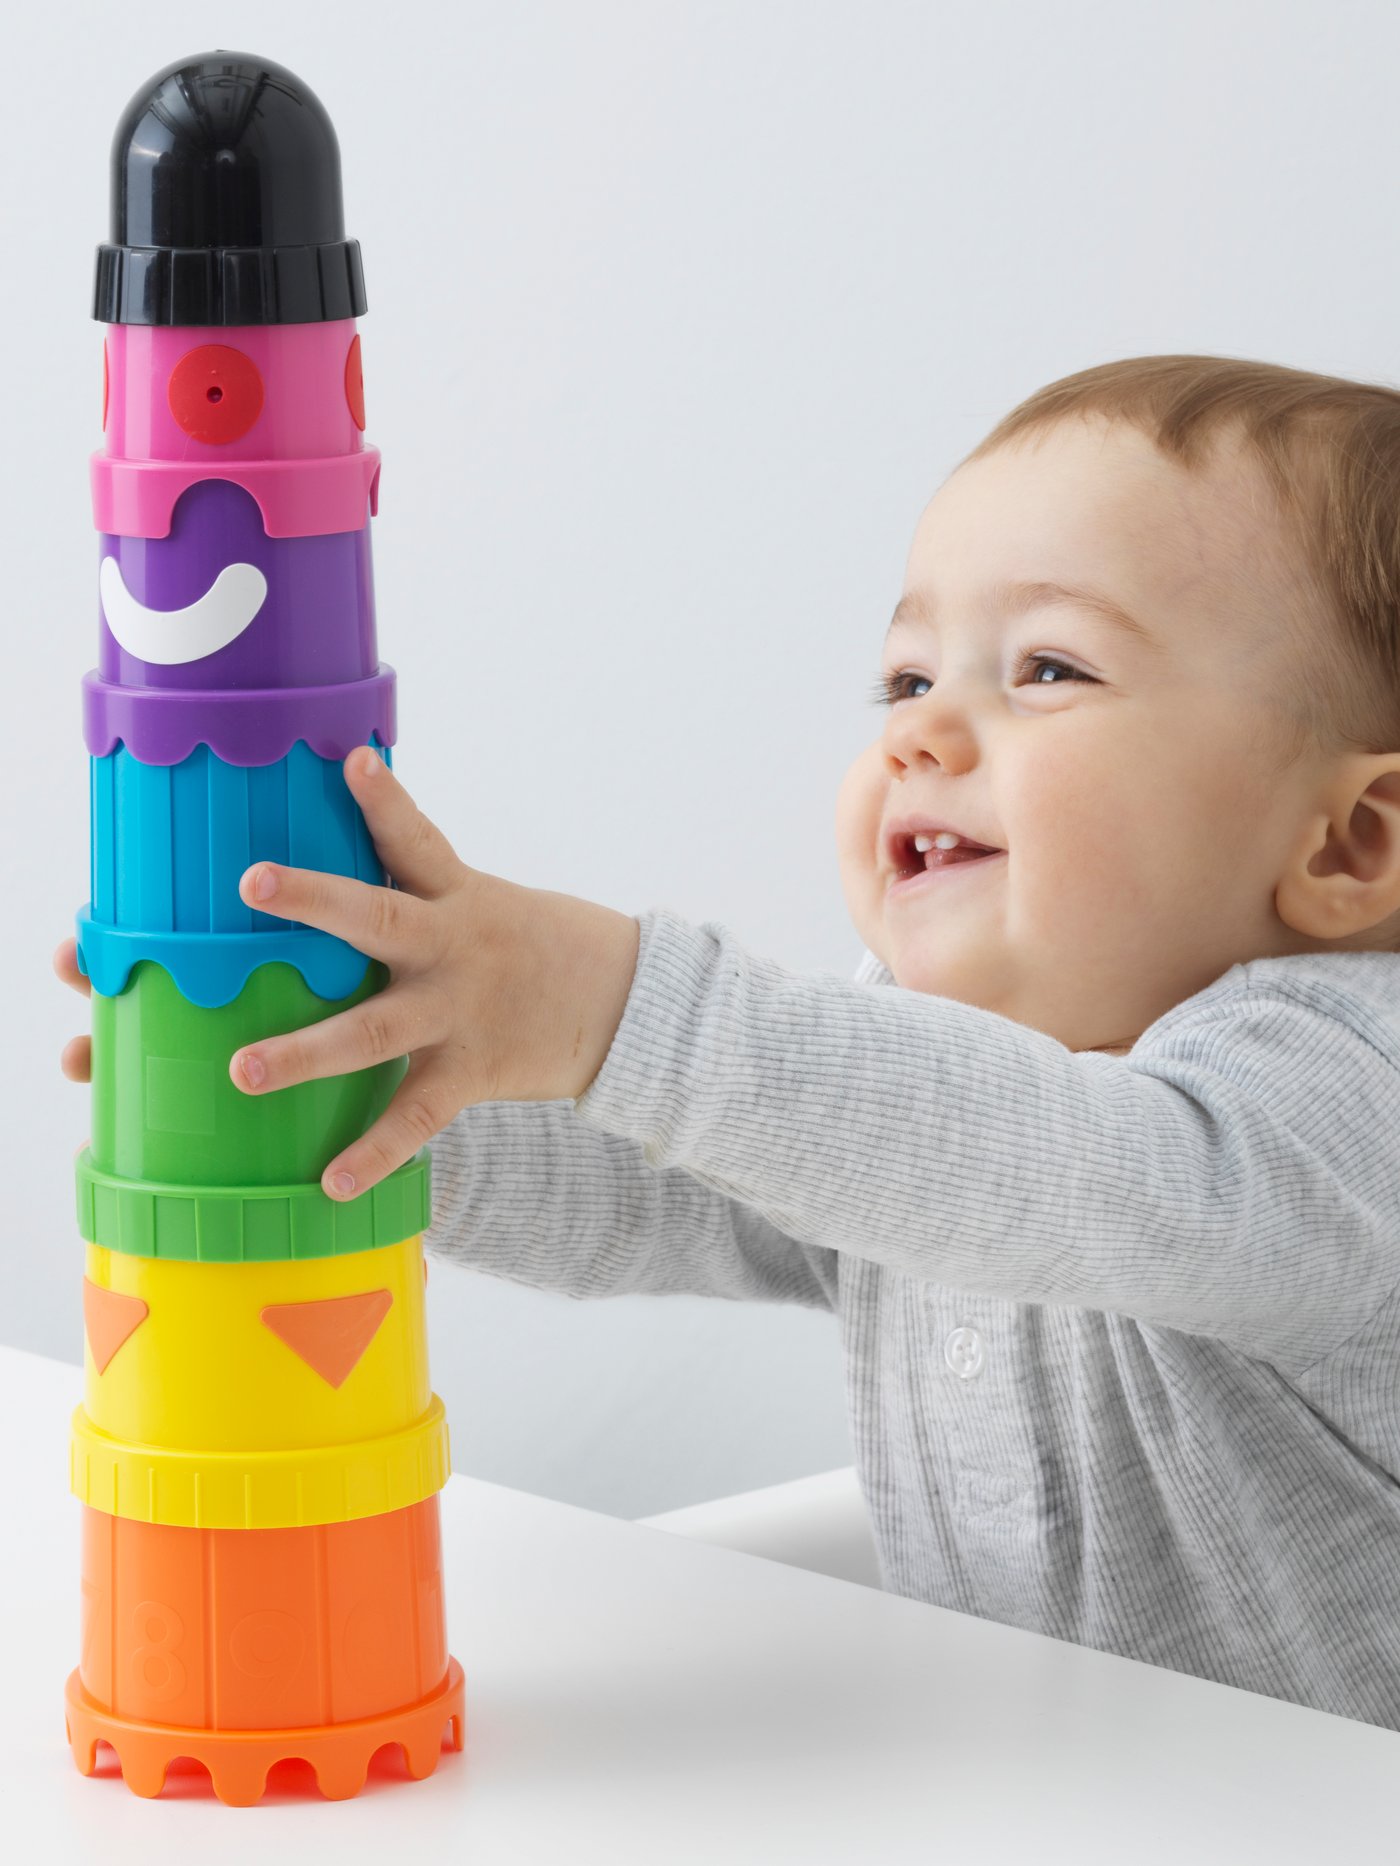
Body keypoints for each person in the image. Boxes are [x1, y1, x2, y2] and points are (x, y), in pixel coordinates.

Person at [56, 354, 1400, 1730]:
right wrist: (386, 1076)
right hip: (1025, 1786)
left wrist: (612, 1002)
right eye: (905, 675)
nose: (922, 732)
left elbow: (1068, 1174)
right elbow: (667, 1175)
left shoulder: (1337, 1109)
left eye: (1049, 669)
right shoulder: (918, 1062)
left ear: (1349, 843)